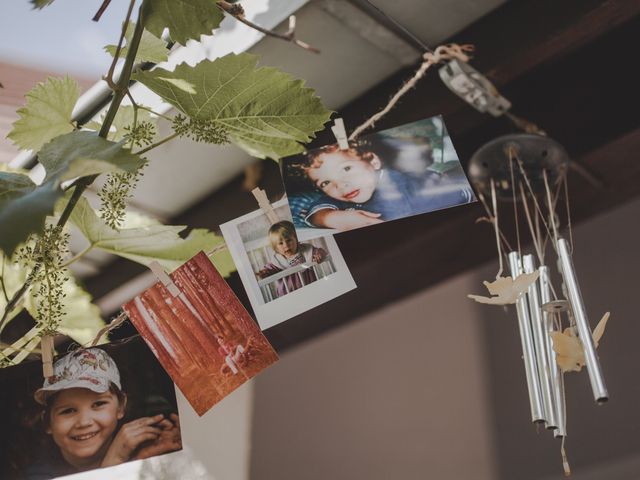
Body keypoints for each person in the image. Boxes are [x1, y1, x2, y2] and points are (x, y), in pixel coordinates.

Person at [27, 348, 181, 479]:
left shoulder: (145, 448)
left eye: (98, 404)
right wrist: (114, 461)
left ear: (120, 407)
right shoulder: (39, 475)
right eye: (68, 411)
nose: (84, 422)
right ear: (47, 423)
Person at [284, 142, 475, 231]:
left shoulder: (396, 184)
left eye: (346, 168)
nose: (340, 184)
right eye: (325, 182)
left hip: (459, 191)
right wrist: (331, 218)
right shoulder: (340, 196)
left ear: (373, 162)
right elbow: (316, 210)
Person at [256, 220, 327, 298]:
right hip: (287, 293)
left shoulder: (305, 249)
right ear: (275, 247)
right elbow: (270, 269)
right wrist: (265, 272)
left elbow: (320, 251)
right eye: (280, 243)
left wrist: (319, 255)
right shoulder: (277, 260)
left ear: (296, 239)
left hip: (310, 288)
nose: (286, 245)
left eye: (289, 240)